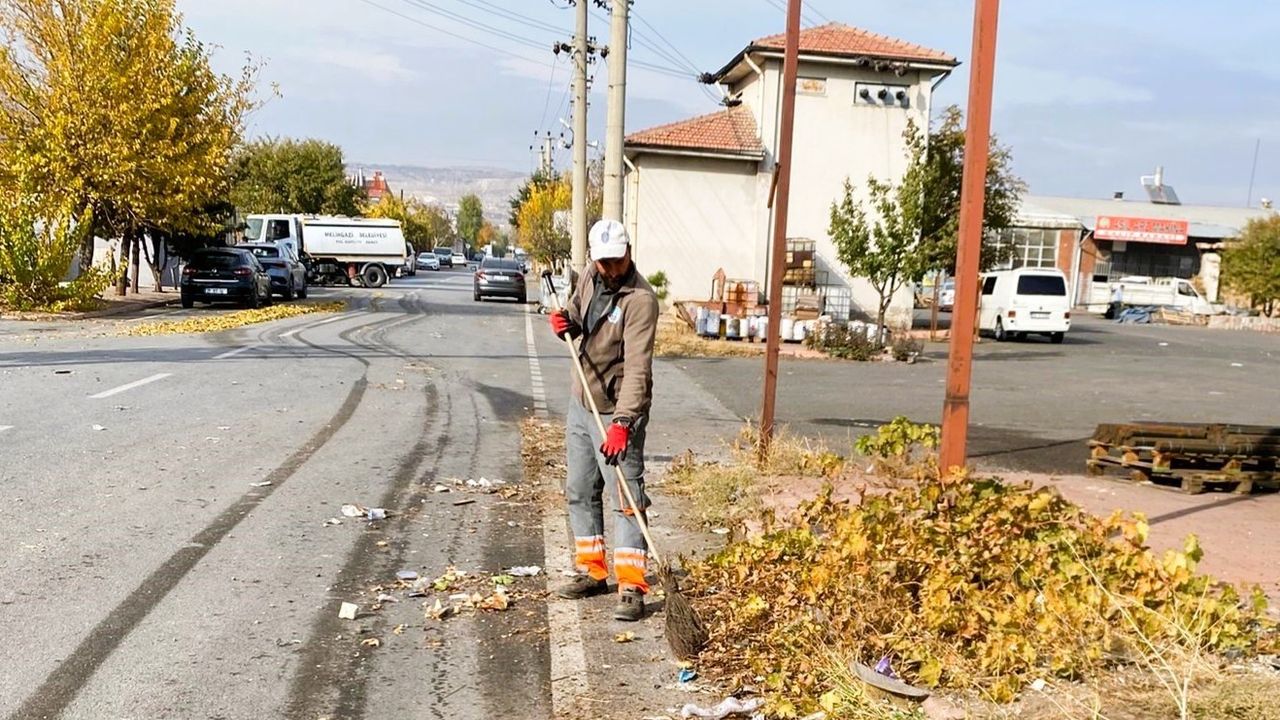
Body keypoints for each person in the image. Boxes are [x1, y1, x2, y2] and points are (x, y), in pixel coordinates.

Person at [548, 219, 659, 622]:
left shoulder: (640, 301)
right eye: (603, 263)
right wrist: (566, 323)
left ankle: (631, 584)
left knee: (626, 499)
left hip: (617, 411)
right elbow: (578, 315)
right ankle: (592, 570)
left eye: (617, 261)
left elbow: (637, 369)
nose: (610, 269)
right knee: (580, 488)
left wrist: (623, 422)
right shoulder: (591, 278)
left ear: (629, 252)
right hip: (582, 403)